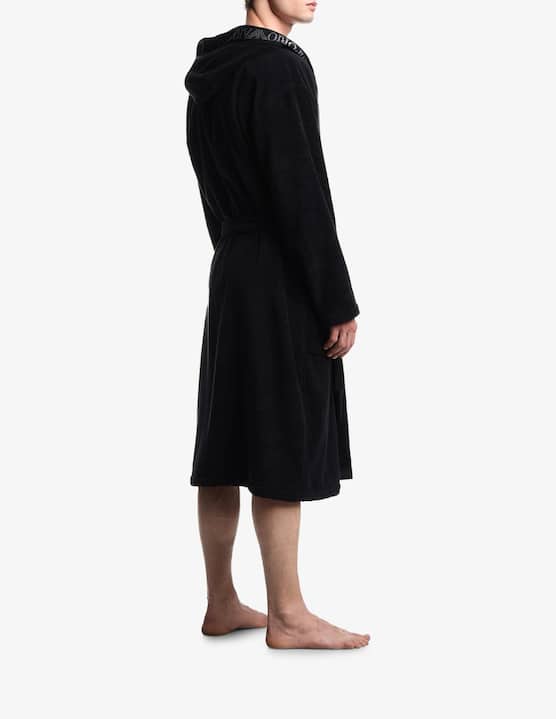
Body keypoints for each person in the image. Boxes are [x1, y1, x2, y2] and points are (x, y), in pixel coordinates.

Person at [184, 0, 369, 649]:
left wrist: (236, 255)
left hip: (232, 265)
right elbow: (301, 193)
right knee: (277, 436)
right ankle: (287, 614)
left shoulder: (212, 71)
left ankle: (221, 602)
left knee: (225, 439)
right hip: (279, 273)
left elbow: (211, 186)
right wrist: (336, 298)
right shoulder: (280, 66)